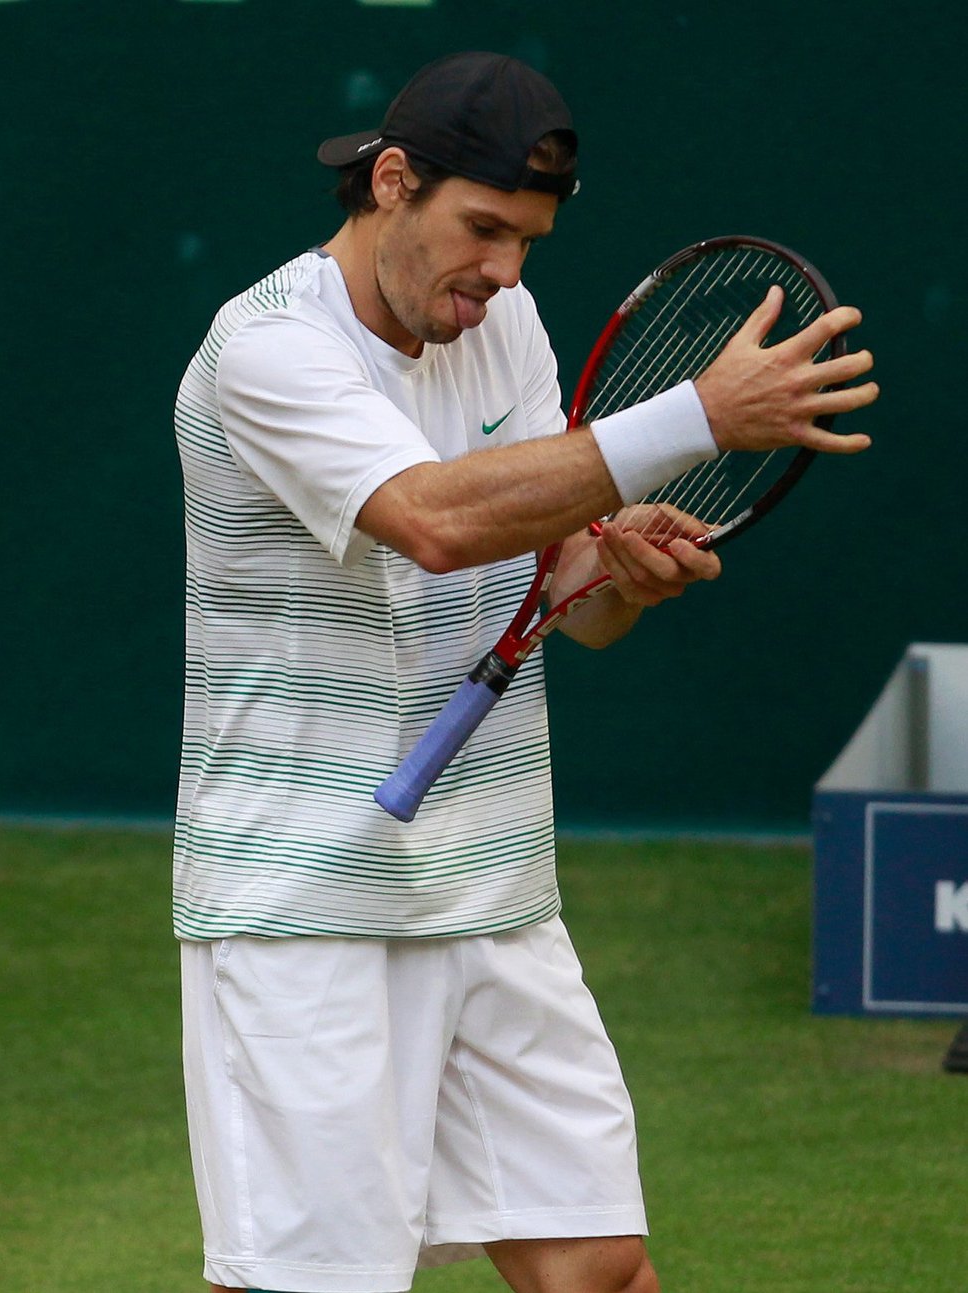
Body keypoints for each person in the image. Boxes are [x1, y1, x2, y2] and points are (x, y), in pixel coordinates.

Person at [173, 51, 877, 1293]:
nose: (501, 272)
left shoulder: (503, 325)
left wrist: (614, 578)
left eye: (528, 243)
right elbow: (435, 520)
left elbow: (551, 595)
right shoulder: (266, 347)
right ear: (391, 183)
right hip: (307, 902)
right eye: (481, 229)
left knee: (597, 1267)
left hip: (492, 886)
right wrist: (695, 420)